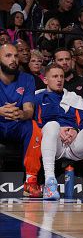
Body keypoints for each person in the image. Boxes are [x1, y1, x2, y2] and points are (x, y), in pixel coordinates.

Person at [36, 64, 83, 201]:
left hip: (74, 144)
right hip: (53, 145)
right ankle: (49, 184)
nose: (59, 80)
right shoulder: (38, 98)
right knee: (52, 125)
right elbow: (35, 123)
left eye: (61, 76)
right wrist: (59, 129)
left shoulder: (74, 98)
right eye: (54, 76)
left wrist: (76, 130)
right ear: (46, 80)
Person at [0, 44, 43, 198]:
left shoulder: (27, 78)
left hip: (16, 124)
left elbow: (29, 110)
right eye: (8, 56)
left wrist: (20, 113)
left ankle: (31, 181)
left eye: (16, 56)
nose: (13, 60)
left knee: (33, 127)